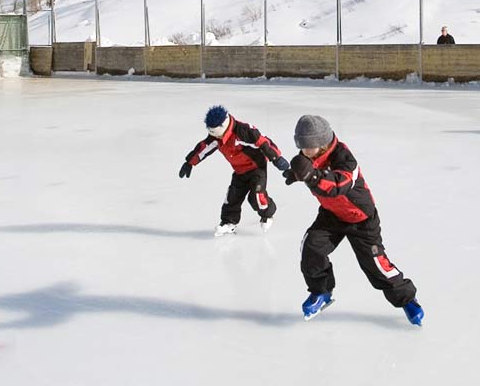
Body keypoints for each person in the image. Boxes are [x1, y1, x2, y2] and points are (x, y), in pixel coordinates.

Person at [282, 114, 424, 325]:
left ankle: (408, 300)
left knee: (376, 266)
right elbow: (312, 173)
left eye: (307, 147)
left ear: (321, 143)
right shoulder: (310, 157)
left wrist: (312, 176)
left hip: (361, 220)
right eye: (300, 147)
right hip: (332, 215)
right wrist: (298, 174)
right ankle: (322, 292)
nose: (304, 152)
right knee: (311, 248)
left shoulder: (345, 159)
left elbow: (339, 185)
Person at [180, 105, 287, 235]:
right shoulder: (216, 138)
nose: (216, 138)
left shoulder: (243, 131)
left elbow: (263, 142)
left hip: (256, 168)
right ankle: (228, 222)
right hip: (240, 171)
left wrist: (276, 158)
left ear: (223, 127)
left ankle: (268, 214)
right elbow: (204, 148)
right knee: (232, 197)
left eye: (217, 134)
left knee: (257, 196)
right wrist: (189, 163)